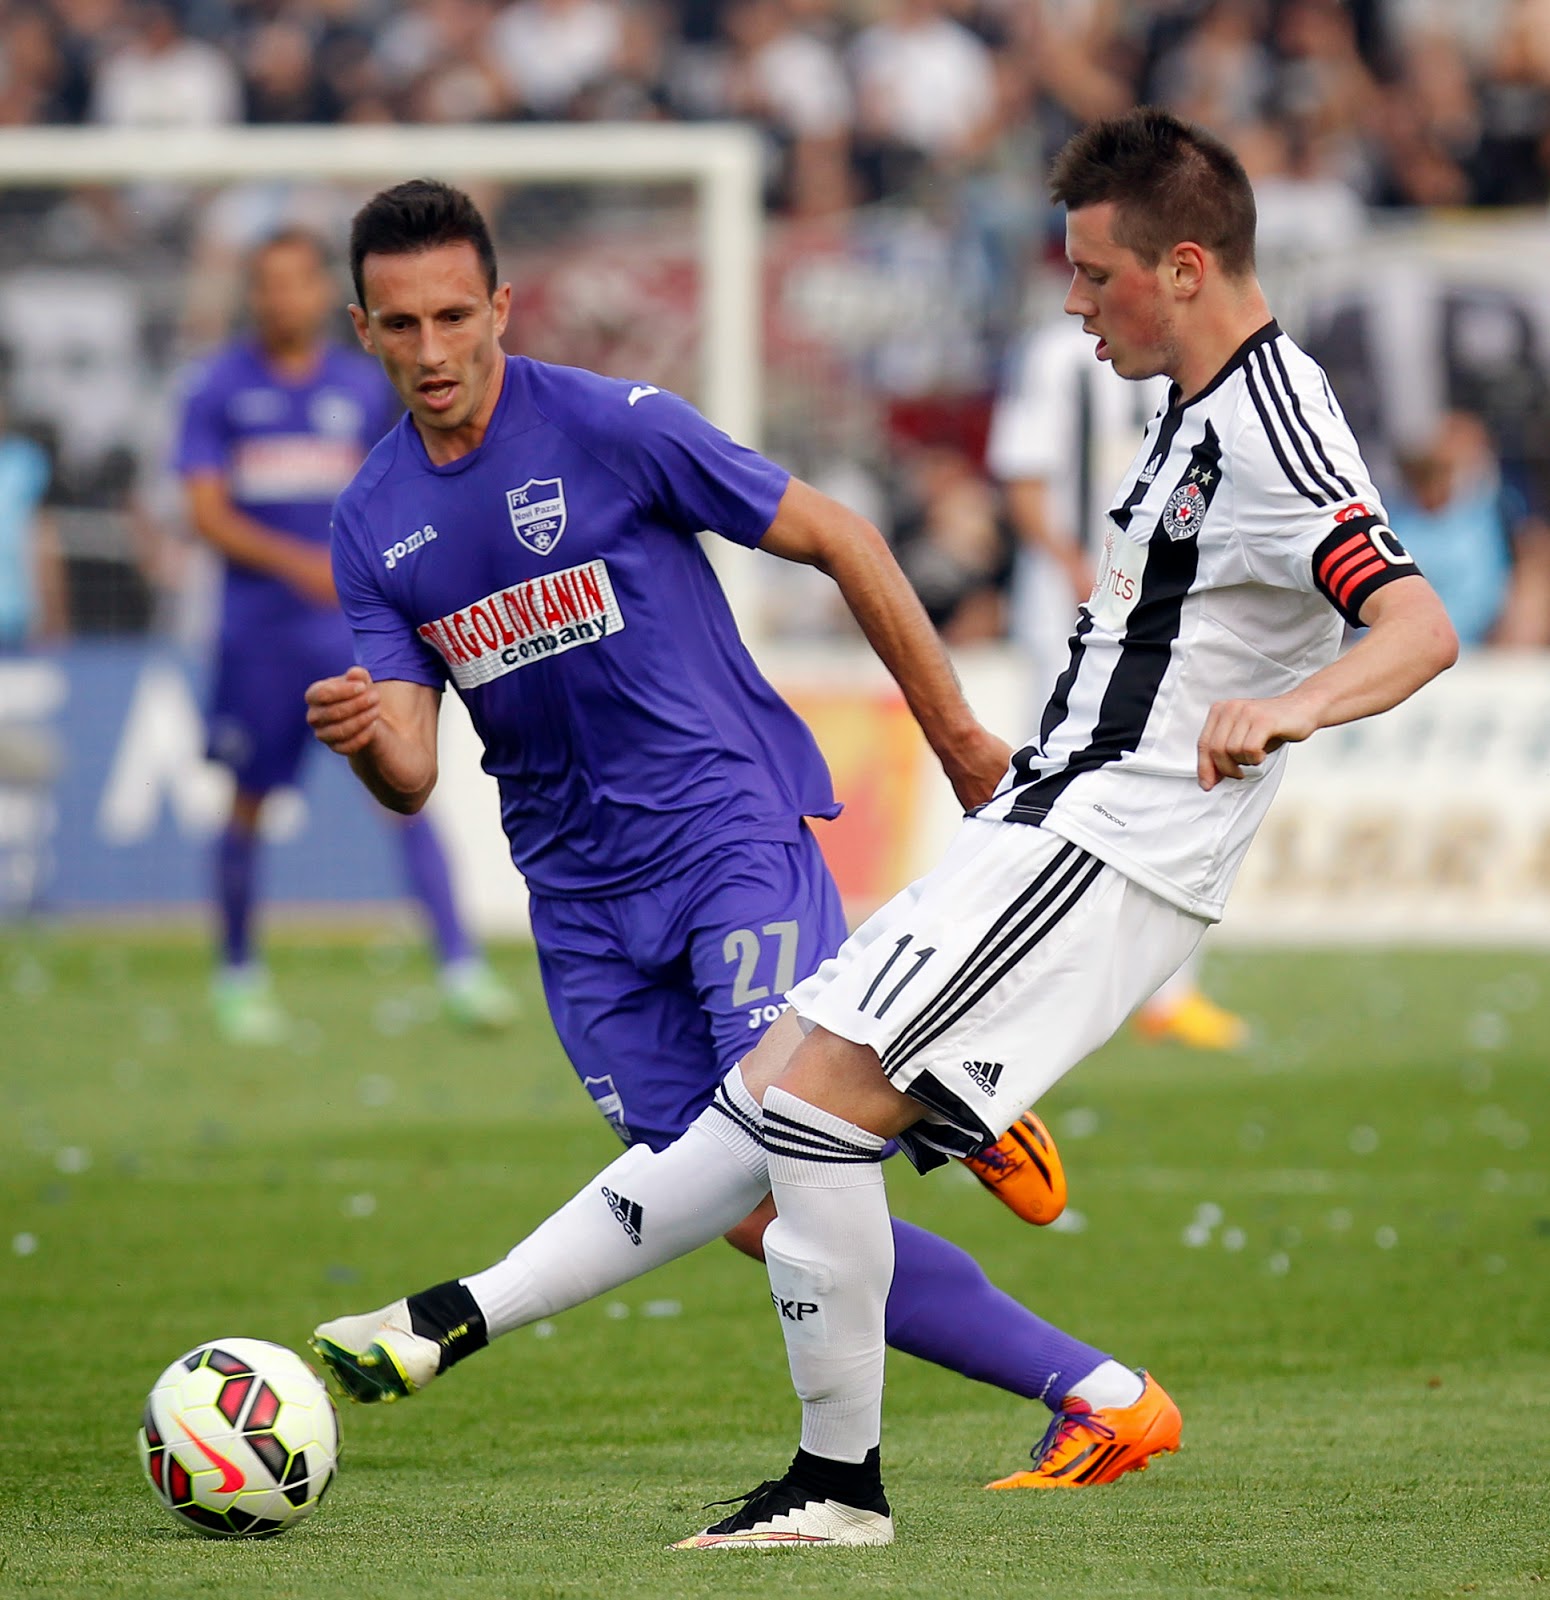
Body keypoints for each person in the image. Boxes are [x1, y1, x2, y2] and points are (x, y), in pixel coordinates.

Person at [654, 106, 1457, 1549]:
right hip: (1043, 813)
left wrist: (1294, 707)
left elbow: (1415, 624)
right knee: (776, 1104)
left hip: (1109, 844)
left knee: (808, 1110)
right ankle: (447, 1328)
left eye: (1095, 276)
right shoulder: (1191, 409)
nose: (1075, 303)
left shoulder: (1273, 427)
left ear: (1187, 265)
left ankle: (839, 1480)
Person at [305, 179, 1156, 1485]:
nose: (431, 352)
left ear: (501, 308)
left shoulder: (606, 425)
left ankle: (921, 1100)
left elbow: (839, 534)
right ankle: (1078, 1355)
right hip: (579, 904)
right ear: (363, 327)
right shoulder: (370, 521)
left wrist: (958, 740)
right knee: (753, 1213)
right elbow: (415, 773)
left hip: (724, 836)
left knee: (786, 1138)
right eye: (402, 325)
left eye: (454, 317)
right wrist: (370, 741)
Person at [175, 228, 514, 1044]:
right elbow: (205, 511)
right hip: (257, 634)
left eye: (297, 283)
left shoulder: (362, 390)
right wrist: (299, 563)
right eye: (269, 284)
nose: (283, 299)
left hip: (355, 631)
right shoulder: (217, 390)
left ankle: (461, 965)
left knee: (405, 785)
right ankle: (236, 973)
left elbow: (406, 488)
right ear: (253, 295)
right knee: (250, 800)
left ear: (323, 296)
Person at [988, 310, 1251, 1050]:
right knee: (1056, 788)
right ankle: (1015, 972)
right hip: (1070, 616)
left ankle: (1168, 994)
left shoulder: (1197, 348)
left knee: (1170, 785)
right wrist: (1081, 567)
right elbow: (1025, 484)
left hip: (1167, 616)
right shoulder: (1054, 355)